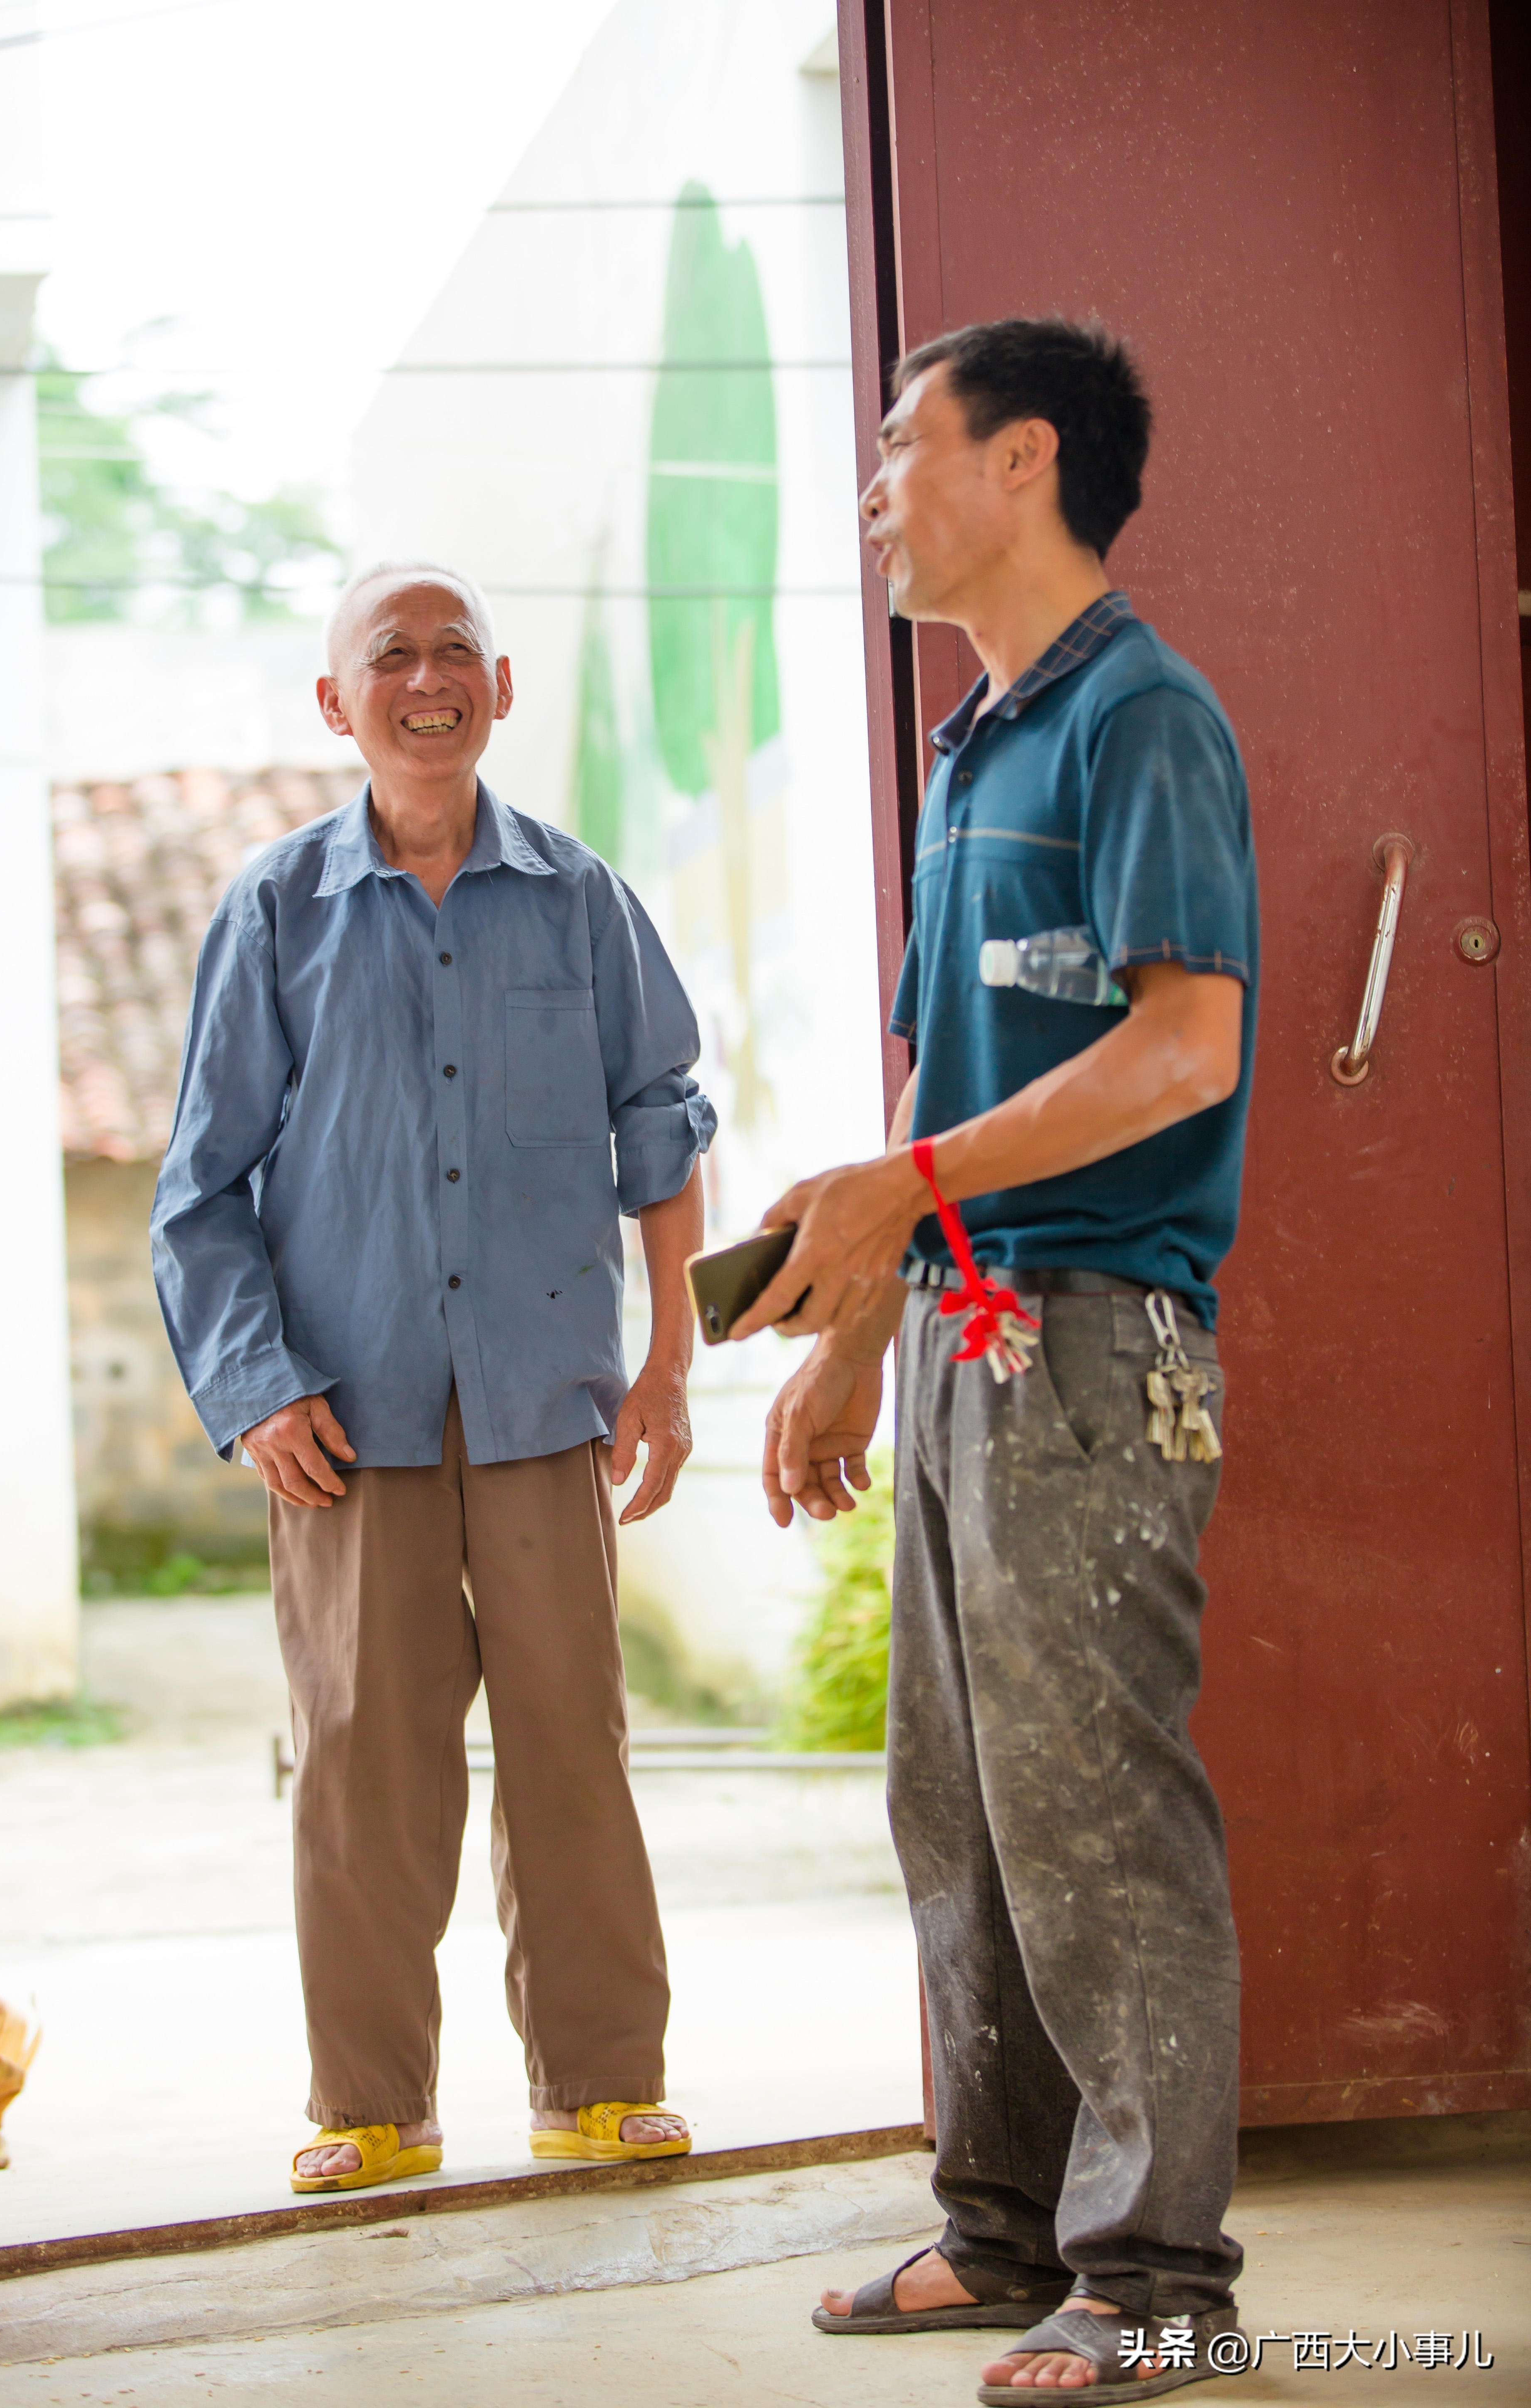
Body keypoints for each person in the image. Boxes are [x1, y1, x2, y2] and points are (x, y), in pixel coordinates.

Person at [736, 321, 1257, 2400]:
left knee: (1096, 1815)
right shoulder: (971, 751)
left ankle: (1159, 2292)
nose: (876, 485)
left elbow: (1188, 1045)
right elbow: (939, 1086)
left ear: (1022, 457)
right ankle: (1005, 2233)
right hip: (965, 1338)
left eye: (899, 443)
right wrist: (856, 1333)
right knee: (959, 1812)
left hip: (1100, 1345)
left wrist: (900, 1190)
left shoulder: (1145, 719)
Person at [152, 564, 715, 2193]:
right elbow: (202, 1188)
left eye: (453, 649)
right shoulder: (276, 911)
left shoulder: (583, 899)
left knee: (571, 1749)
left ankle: (602, 2083)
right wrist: (256, 1387)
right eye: (388, 656)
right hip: (346, 1416)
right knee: (364, 1763)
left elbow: (663, 1129)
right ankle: (372, 2109)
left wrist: (671, 1367)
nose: (425, 677)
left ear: (501, 684)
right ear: (338, 703)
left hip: (547, 1404)